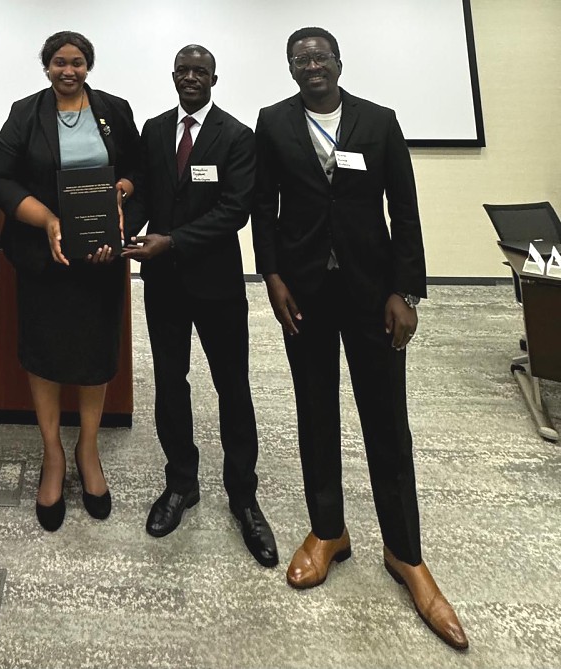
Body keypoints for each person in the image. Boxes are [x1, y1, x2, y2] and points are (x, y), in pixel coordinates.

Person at [252, 27, 467, 649]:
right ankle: (329, 532)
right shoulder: (274, 123)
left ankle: (405, 553)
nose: (311, 65)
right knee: (315, 410)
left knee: (385, 420)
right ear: (290, 68)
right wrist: (272, 277)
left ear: (339, 63)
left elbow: (405, 206)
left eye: (320, 57)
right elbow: (265, 206)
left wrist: (406, 290)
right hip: (305, 295)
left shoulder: (378, 121)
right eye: (300, 59)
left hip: (374, 295)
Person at [123, 45, 278, 567]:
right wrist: (123, 222)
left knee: (232, 386)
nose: (191, 77)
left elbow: (236, 211)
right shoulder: (153, 127)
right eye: (183, 71)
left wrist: (173, 240)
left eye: (200, 72)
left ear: (215, 78)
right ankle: (181, 483)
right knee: (170, 382)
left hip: (216, 283)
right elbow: (144, 193)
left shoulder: (236, 136)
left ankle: (243, 496)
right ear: (173, 76)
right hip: (162, 282)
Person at [0, 31, 140, 531]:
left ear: (88, 66)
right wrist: (49, 221)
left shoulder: (114, 110)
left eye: (76, 62)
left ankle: (88, 450)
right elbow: (2, 179)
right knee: (45, 354)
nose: (67, 70)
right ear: (47, 67)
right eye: (58, 62)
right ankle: (53, 453)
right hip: (44, 259)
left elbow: (135, 171)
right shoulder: (25, 113)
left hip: (99, 261)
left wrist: (122, 191)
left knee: (97, 356)